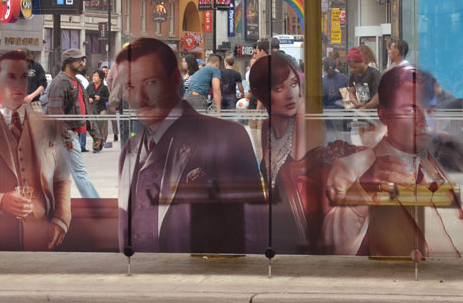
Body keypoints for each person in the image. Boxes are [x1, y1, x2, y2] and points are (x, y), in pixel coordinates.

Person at [323, 66, 463, 258]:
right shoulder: (354, 168)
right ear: (384, 115)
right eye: (411, 110)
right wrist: (364, 188)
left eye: (430, 111)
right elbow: (333, 245)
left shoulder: (451, 162)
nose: (424, 121)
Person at [114, 38, 264, 254]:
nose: (140, 97)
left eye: (150, 82)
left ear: (174, 79)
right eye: (130, 86)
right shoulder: (130, 151)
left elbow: (252, 231)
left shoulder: (227, 139)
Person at [0, 50, 71, 251]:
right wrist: (0, 201)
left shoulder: (48, 127)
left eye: (23, 77)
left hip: (43, 234)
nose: (19, 84)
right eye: (11, 77)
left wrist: (61, 219)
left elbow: (62, 177)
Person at [249, 54, 311, 251]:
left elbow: (297, 172)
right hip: (274, 224)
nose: (290, 94)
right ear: (263, 95)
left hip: (301, 226)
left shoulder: (303, 116)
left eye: (294, 84)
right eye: (279, 88)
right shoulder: (267, 126)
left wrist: (303, 104)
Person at [45, 48, 99, 198]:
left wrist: (96, 135)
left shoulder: (77, 82)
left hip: (71, 134)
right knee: (80, 173)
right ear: (68, 63)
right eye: (78, 60)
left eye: (82, 60)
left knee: (57, 175)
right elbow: (55, 114)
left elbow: (85, 109)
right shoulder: (59, 83)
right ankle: (97, 206)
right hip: (66, 135)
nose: (82, 63)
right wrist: (66, 139)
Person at [86, 69, 110, 152]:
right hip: (92, 109)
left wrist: (101, 98)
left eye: (96, 76)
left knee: (99, 128)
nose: (94, 78)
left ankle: (98, 145)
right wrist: (89, 98)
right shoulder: (90, 86)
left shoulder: (104, 88)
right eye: (93, 76)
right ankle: (96, 144)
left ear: (101, 78)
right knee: (94, 128)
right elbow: (85, 95)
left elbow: (108, 99)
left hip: (101, 109)